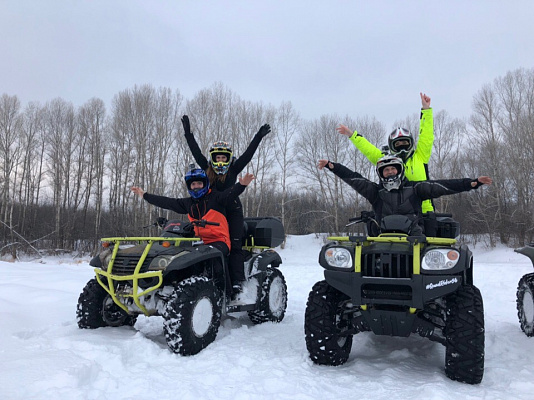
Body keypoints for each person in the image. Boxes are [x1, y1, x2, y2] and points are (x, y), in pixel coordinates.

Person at [181, 115, 271, 295]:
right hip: (213, 213)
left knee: (234, 246)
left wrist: (258, 137)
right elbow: (196, 151)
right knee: (201, 243)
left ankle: (237, 282)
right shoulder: (206, 168)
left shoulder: (234, 169)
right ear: (213, 158)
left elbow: (248, 154)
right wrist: (188, 134)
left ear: (228, 158)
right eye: (218, 157)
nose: (220, 161)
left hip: (232, 211)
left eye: (224, 157)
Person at [131, 169, 255, 294]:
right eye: (193, 184)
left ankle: (226, 293)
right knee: (183, 257)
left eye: (199, 184)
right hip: (199, 242)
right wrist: (144, 195)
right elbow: (167, 202)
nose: (196, 187)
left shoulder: (216, 198)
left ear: (205, 184)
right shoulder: (188, 203)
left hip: (219, 241)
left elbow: (229, 193)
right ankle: (184, 287)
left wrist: (242, 185)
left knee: (213, 255)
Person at [318, 156, 492, 235]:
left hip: (415, 241)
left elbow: (442, 186)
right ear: (381, 174)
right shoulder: (376, 192)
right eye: (386, 170)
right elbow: (354, 178)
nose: (390, 172)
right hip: (382, 241)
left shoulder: (416, 189)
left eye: (393, 168)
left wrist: (471, 183)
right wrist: (333, 166)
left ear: (400, 171)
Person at [337, 92, 435, 213]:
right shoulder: (386, 161)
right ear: (392, 146)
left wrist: (426, 110)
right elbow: (368, 149)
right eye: (398, 145)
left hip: (423, 212)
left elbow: (427, 135)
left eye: (405, 143)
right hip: (393, 213)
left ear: (411, 144)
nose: (402, 148)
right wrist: (352, 135)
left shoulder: (420, 156)